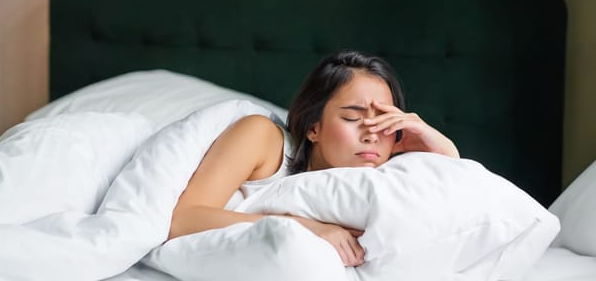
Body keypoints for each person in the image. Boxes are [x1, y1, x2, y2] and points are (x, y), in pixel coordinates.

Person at [168, 51, 460, 267]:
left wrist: (436, 143)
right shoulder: (262, 138)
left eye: (384, 121)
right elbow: (183, 220)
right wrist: (307, 228)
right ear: (313, 127)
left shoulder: (387, 170)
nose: (372, 134)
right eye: (352, 117)